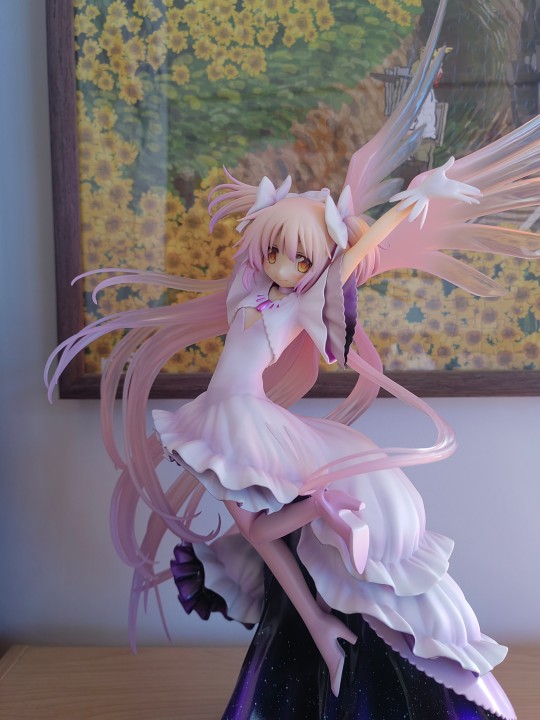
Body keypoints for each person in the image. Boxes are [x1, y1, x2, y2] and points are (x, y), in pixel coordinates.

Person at [47, 2, 538, 716]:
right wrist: (276, 218)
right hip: (226, 414)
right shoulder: (251, 288)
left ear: (319, 263)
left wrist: (411, 205)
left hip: (250, 421)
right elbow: (269, 242)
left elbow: (351, 262)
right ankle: (324, 554)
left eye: (298, 258)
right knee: (252, 529)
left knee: (256, 527)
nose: (281, 265)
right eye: (274, 250)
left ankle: (328, 536)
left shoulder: (308, 305)